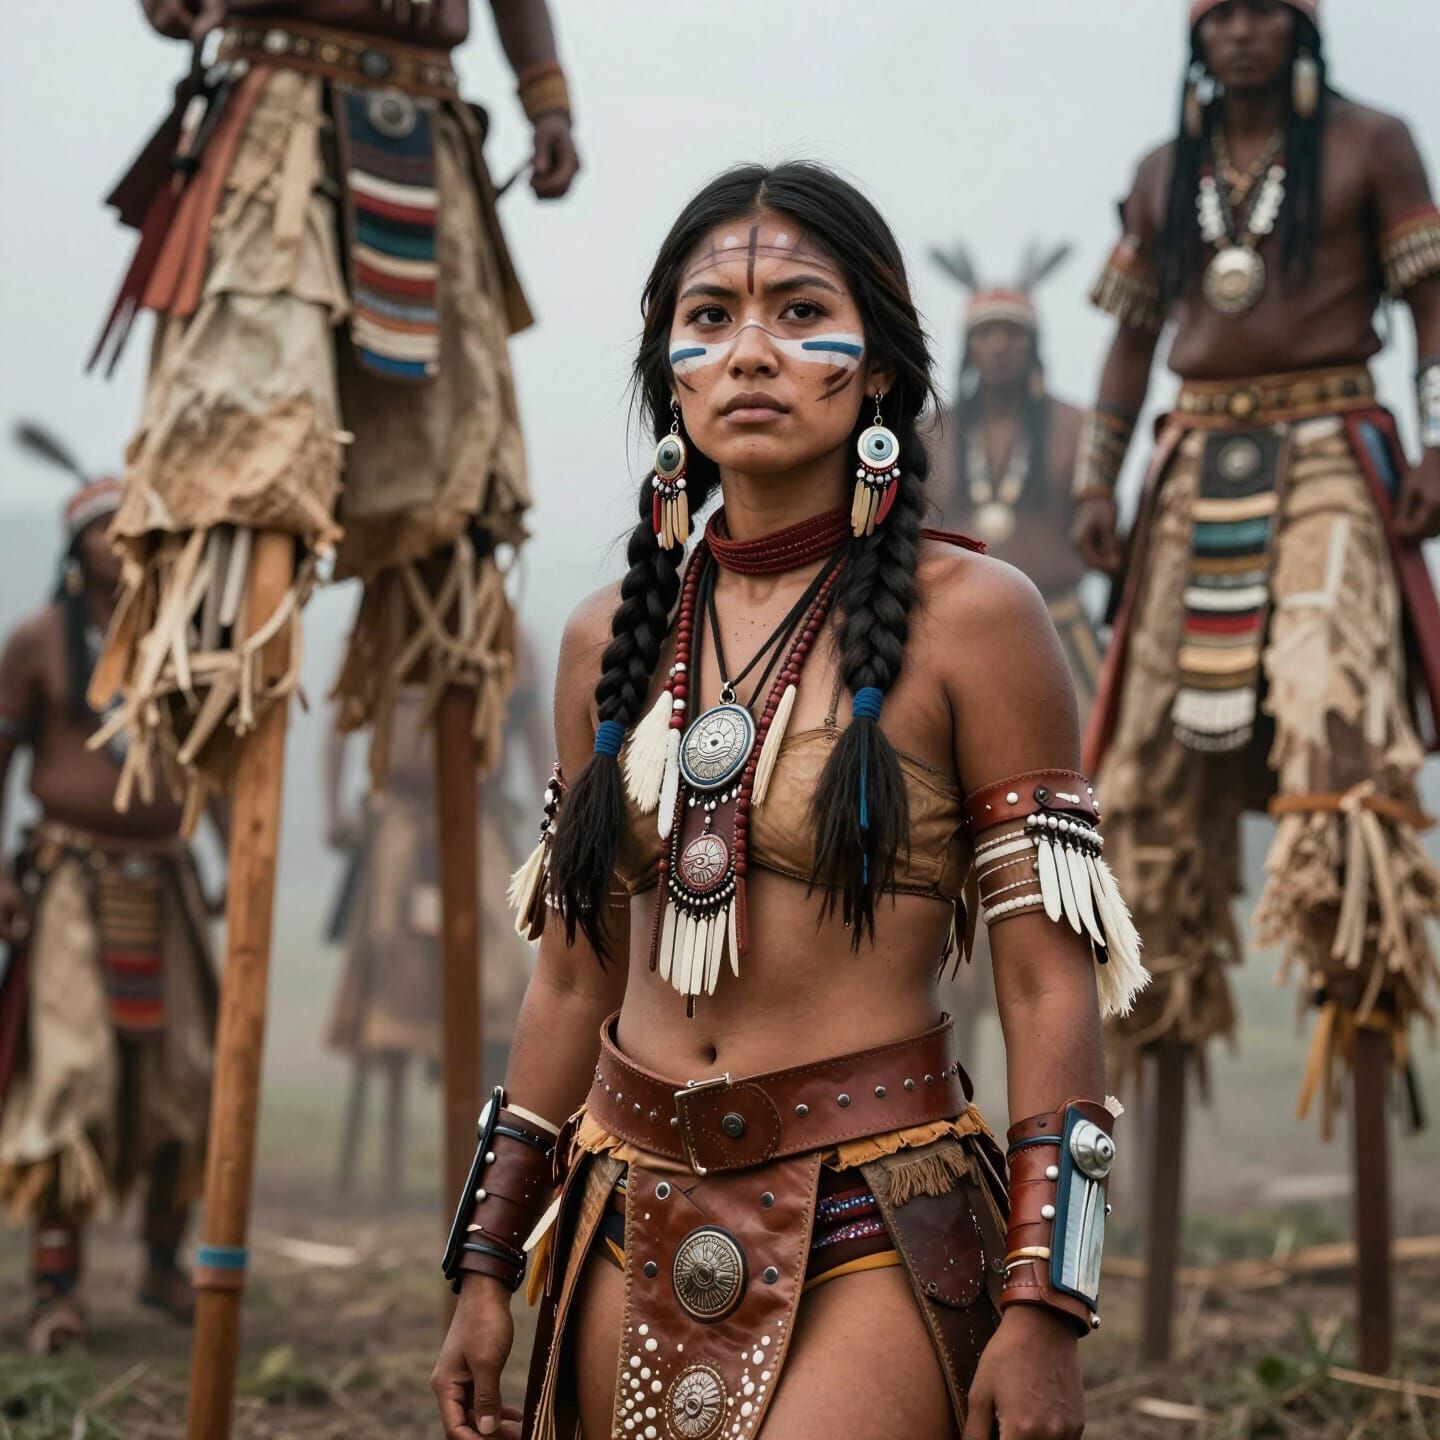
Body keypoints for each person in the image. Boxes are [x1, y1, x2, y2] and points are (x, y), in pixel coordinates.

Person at [431, 162, 1147, 1440]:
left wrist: (1048, 1302)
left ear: (875, 367)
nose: (750, 351)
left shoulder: (980, 621)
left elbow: (1048, 986)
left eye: (798, 310)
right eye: (709, 320)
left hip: (869, 1220)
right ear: (671, 375)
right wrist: (487, 1264)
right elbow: (573, 980)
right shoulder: (606, 635)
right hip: (618, 1211)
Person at [1074, 0, 1440, 1128]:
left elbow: (1432, 302)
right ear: (1196, 34)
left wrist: (1439, 444)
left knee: (1334, 702)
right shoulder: (1159, 171)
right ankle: (1158, 989)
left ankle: (1357, 958)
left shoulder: (1370, 143)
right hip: (1192, 460)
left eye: (1263, 12)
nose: (1240, 33)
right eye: (1218, 14)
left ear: (1300, 27)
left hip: (1333, 444)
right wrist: (1099, 477)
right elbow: (1135, 336)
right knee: (1141, 765)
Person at [89, 0, 580, 813]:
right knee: (249, 467)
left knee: (452, 494)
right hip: (273, 121)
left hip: (426, 125)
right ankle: (218, 726)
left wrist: (548, 100)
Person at [0, 429, 221, 1354]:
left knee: (184, 1076)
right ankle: (57, 1291)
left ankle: (164, 1273)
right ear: (76, 542)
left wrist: (229, 875)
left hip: (164, 885)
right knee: (73, 1075)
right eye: (105, 526)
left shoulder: (180, 644)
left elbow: (223, 767)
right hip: (67, 885)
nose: (122, 541)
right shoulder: (42, 641)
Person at [322, 685, 539, 1199]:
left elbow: (532, 727)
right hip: (397, 826)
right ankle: (386, 1172)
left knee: (501, 985)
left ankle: (484, 1165)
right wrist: (333, 811)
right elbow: (342, 720)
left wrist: (557, 810)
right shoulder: (383, 629)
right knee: (390, 986)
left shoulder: (505, 636)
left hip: (478, 826)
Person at [927, 243, 1100, 712]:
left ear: (1034, 344)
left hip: (1060, 631)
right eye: (986, 334)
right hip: (954, 633)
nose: (1000, 346)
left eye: (1013, 333)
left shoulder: (1077, 428)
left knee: (1077, 770)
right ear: (968, 346)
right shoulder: (931, 434)